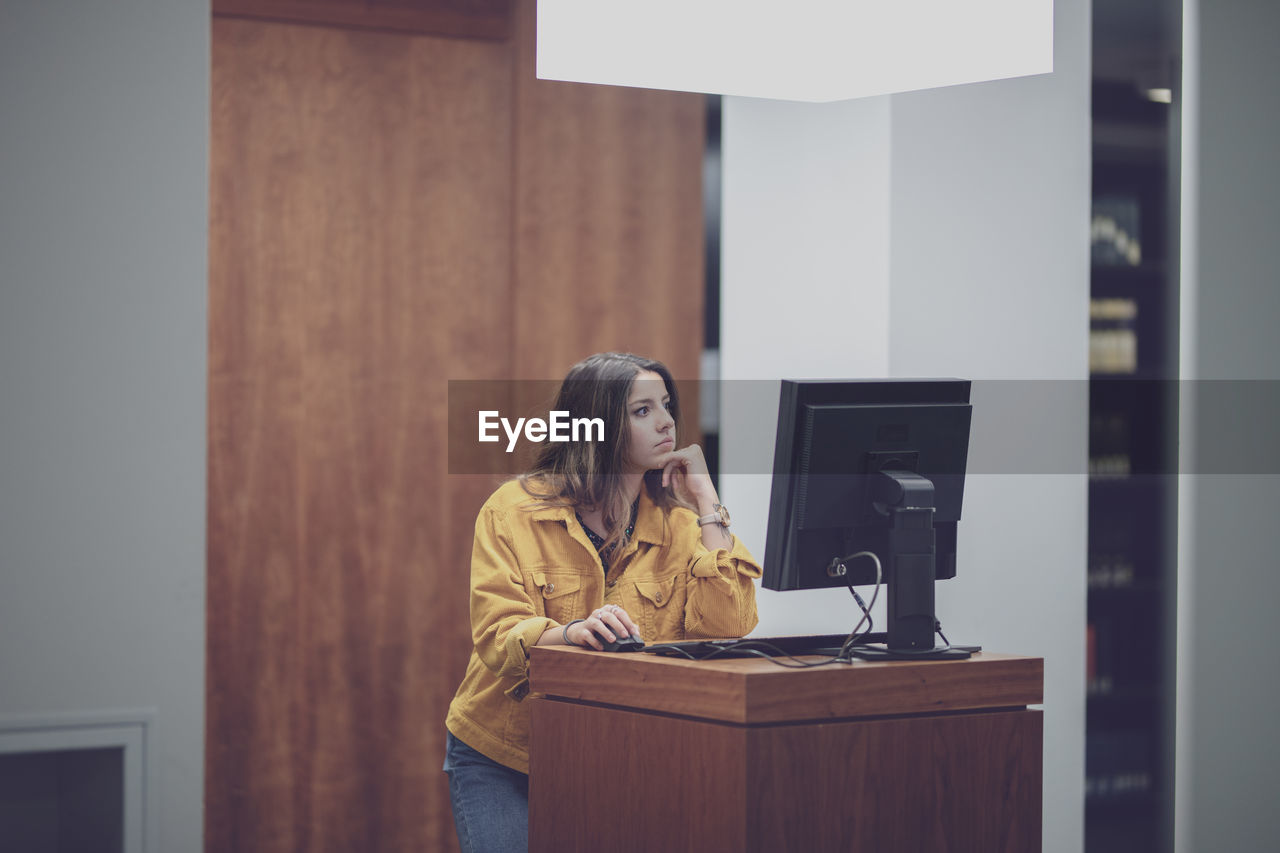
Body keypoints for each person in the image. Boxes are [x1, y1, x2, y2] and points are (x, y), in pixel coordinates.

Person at [442, 352, 761, 853]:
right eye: (642, 410)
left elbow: (729, 625)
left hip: (619, 752)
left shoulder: (681, 525)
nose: (667, 421)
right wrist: (568, 634)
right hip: (507, 754)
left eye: (666, 404)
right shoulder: (514, 511)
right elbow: (497, 636)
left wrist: (706, 503)